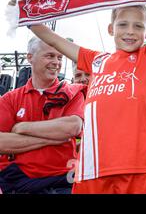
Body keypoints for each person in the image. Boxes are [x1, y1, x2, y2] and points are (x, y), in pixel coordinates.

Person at [21, 0, 146, 193]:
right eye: (122, 24)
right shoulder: (96, 60)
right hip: (93, 166)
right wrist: (24, 15)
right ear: (110, 28)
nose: (130, 31)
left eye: (138, 26)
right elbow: (55, 41)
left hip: (138, 166)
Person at [0, 37, 84, 194]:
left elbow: (72, 127)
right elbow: (1, 143)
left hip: (62, 179)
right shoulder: (10, 99)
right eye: (50, 56)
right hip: (19, 180)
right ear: (30, 57)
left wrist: (21, 127)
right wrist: (55, 137)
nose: (56, 62)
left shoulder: (73, 92)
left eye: (59, 57)